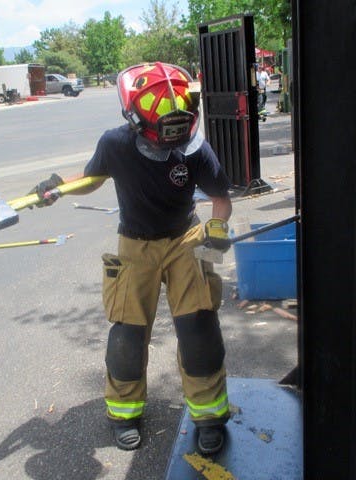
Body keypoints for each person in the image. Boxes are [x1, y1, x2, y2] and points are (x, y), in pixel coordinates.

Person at [29, 62, 233, 455]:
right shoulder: (116, 144)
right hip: (136, 245)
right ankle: (124, 413)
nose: (168, 145)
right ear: (135, 119)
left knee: (199, 332)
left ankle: (208, 415)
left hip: (185, 240)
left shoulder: (194, 148)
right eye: (161, 137)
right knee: (128, 336)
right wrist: (60, 187)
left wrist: (218, 228)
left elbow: (220, 200)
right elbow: (92, 178)